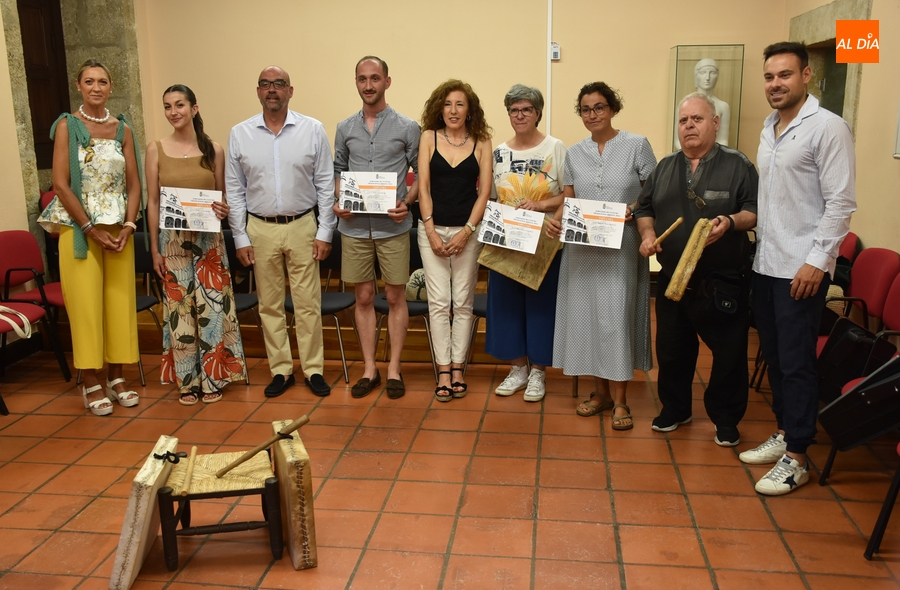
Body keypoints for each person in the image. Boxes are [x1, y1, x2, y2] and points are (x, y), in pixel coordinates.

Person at [740, 42, 856, 495]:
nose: (775, 84)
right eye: (769, 77)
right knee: (773, 355)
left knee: (796, 363)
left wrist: (817, 262)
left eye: (784, 75)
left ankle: (797, 457)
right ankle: (787, 432)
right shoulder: (770, 128)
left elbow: (841, 202)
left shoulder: (828, 128)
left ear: (806, 75)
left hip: (801, 269)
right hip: (767, 263)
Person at [636, 93, 758, 446]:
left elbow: (754, 209)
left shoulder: (738, 165)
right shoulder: (664, 167)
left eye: (697, 119)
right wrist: (647, 236)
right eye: (683, 120)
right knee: (672, 351)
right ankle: (675, 409)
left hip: (721, 281)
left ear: (715, 123)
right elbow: (644, 210)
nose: (689, 126)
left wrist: (730, 221)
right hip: (674, 279)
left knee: (729, 354)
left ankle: (725, 418)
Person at [546, 82, 655, 431]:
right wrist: (554, 222)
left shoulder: (636, 145)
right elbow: (568, 199)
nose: (592, 115)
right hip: (582, 249)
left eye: (599, 107)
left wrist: (633, 209)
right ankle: (601, 393)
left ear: (612, 108)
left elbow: (654, 194)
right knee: (589, 318)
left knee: (615, 318)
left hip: (621, 247)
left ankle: (621, 400)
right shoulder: (575, 153)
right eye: (586, 109)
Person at [226, 66, 337, 398]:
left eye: (278, 84)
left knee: (307, 303)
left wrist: (325, 231)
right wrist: (240, 237)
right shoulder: (240, 133)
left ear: (290, 90)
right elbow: (235, 190)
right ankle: (281, 370)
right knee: (269, 304)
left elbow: (325, 185)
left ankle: (313, 369)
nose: (271, 89)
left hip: (303, 225)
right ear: (257, 91)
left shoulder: (312, 130)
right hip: (259, 229)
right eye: (265, 84)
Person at [38, 59, 141, 416]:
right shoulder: (68, 126)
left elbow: (134, 183)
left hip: (118, 230)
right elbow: (60, 184)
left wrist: (128, 226)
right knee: (85, 305)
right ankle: (89, 380)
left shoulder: (123, 128)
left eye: (102, 82)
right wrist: (89, 229)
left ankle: (117, 376)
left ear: (111, 86)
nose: (96, 88)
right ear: (79, 86)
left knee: (118, 302)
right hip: (80, 230)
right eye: (89, 82)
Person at [146, 84, 246, 405]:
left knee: (212, 309)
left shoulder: (214, 149)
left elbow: (222, 198)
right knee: (180, 311)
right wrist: (154, 248)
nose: (173, 112)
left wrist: (224, 209)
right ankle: (188, 381)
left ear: (194, 108)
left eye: (179, 105)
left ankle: (213, 378)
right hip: (172, 241)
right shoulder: (155, 149)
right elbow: (151, 202)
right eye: (167, 106)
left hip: (209, 242)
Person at [332, 56, 420, 400]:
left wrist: (407, 201)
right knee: (364, 297)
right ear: (356, 82)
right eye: (362, 79)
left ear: (387, 81)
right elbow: (338, 169)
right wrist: (341, 198)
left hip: (393, 227)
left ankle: (394, 368)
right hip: (353, 228)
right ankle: (370, 369)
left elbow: (419, 173)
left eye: (375, 78)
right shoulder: (344, 128)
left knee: (396, 296)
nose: (368, 85)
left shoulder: (407, 126)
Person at [487, 84, 566, 402]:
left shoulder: (555, 147)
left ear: (538, 113)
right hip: (506, 241)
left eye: (526, 110)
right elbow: (493, 196)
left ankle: (538, 373)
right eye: (514, 110)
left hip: (544, 241)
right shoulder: (499, 153)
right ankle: (517, 369)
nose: (520, 115)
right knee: (505, 306)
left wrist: (544, 208)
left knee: (541, 308)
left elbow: (567, 193)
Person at [416, 80, 493, 402]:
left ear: (469, 109)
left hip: (468, 232)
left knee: (462, 303)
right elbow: (423, 187)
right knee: (438, 304)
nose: (453, 110)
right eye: (448, 104)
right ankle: (443, 370)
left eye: (460, 104)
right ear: (439, 107)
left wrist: (466, 232)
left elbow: (485, 192)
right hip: (431, 230)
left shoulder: (482, 141)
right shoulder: (428, 138)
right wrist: (432, 231)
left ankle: (459, 369)